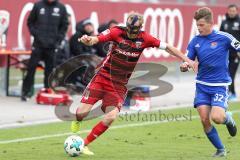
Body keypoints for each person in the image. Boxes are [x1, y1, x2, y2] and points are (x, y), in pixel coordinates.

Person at [70, 12, 196, 155]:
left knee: (111, 116)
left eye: (134, 30)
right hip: (102, 78)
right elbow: (96, 39)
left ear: (140, 28)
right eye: (129, 29)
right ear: (127, 26)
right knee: (81, 113)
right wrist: (88, 39)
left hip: (119, 85)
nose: (130, 33)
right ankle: (78, 120)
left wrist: (187, 60)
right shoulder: (116, 31)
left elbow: (168, 47)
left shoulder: (145, 38)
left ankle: (84, 144)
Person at [180, 7, 238, 157]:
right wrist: (185, 65)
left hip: (219, 86)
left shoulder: (224, 37)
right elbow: (188, 59)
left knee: (217, 118)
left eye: (201, 25)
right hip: (202, 86)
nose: (199, 28)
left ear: (210, 23)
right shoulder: (195, 41)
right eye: (197, 25)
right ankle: (221, 150)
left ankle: (228, 119)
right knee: (205, 119)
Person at [21, 0, 68, 101]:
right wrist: (36, 34)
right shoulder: (38, 5)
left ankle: (47, 93)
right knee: (31, 68)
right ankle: (25, 92)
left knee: (49, 70)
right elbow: (30, 22)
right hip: (38, 44)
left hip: (52, 45)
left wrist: (58, 39)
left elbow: (64, 25)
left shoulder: (61, 8)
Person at [220, 4, 240, 101]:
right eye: (230, 10)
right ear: (228, 11)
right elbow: (220, 37)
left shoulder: (239, 22)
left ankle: (233, 94)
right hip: (225, 54)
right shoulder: (224, 22)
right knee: (225, 74)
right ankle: (227, 93)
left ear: (236, 11)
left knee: (231, 74)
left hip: (236, 54)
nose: (232, 12)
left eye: (233, 11)